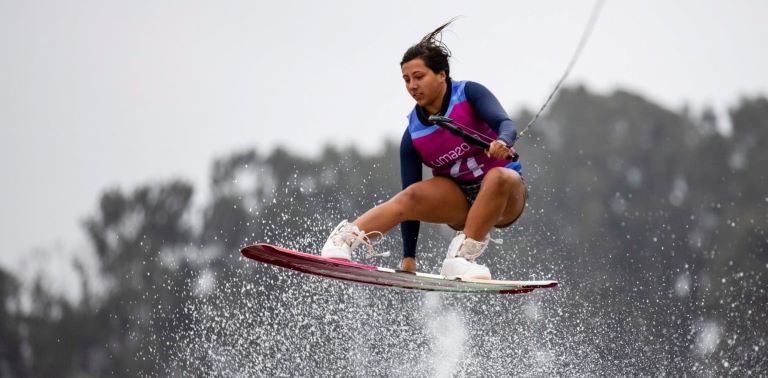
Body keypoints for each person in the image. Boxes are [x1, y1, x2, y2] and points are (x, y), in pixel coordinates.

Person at [320, 20, 526, 279]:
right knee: (410, 196)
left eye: (419, 77)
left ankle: (460, 259)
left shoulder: (469, 93)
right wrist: (409, 258)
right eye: (406, 79)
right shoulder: (413, 135)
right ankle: (342, 241)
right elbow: (410, 202)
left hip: (504, 199)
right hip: (458, 204)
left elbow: (505, 123)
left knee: (501, 176)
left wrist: (503, 141)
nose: (412, 86)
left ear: (442, 75)